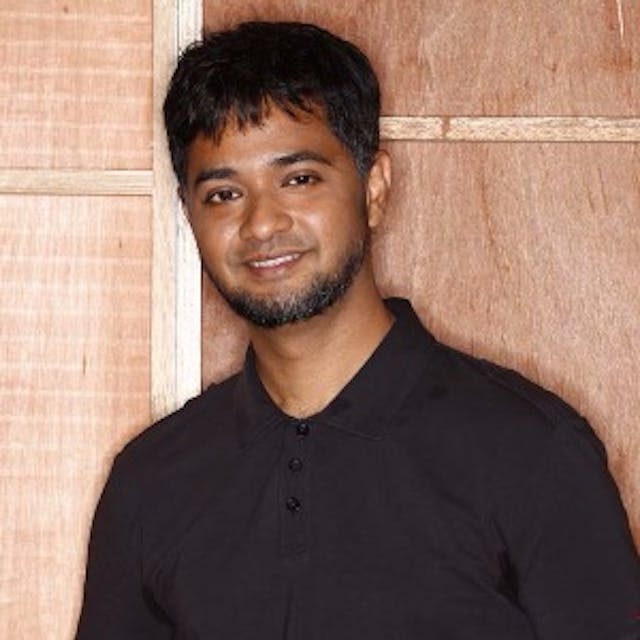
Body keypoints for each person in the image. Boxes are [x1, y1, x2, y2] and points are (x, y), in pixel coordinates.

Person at [75, 21, 640, 639]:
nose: (261, 224)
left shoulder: (531, 452)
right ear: (189, 216)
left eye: (299, 179)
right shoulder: (151, 482)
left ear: (374, 188)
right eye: (223, 194)